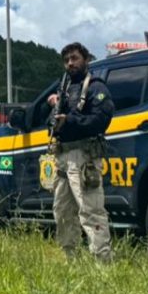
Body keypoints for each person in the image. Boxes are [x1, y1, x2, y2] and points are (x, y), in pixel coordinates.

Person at [46, 42, 114, 262]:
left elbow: (101, 120)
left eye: (74, 58)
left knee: (91, 210)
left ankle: (102, 262)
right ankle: (70, 259)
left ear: (85, 59)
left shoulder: (96, 87)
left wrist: (71, 120)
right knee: (62, 211)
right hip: (63, 157)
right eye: (66, 60)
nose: (70, 63)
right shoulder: (64, 90)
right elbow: (52, 123)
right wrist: (55, 109)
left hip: (84, 156)